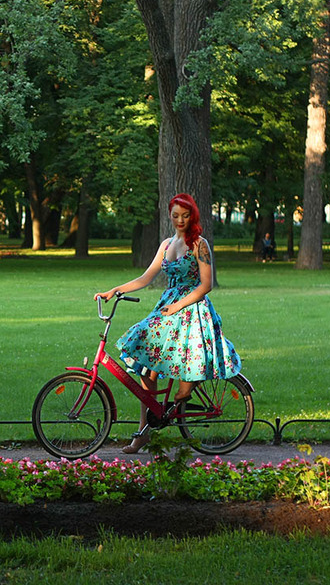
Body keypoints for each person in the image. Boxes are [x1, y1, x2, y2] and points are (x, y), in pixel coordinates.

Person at [95, 193, 242, 454]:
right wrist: (114, 290)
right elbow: (146, 277)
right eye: (176, 215)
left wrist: (177, 306)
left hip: (190, 307)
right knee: (144, 361)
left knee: (191, 356)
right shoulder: (166, 244)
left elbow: (206, 285)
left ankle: (187, 389)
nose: (180, 220)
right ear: (170, 216)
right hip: (167, 307)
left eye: (185, 215)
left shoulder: (199, 244)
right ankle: (144, 432)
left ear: (192, 216)